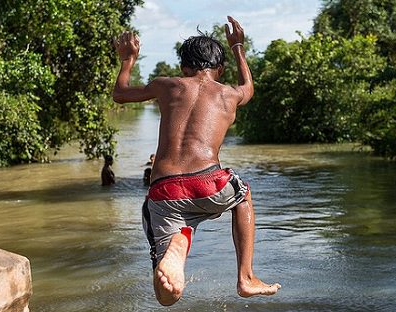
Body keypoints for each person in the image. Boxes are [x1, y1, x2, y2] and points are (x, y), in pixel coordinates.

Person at [112, 16, 281, 306]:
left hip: (165, 191)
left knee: (166, 298)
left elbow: (120, 94)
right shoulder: (229, 94)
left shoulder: (166, 85)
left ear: (183, 68)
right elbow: (248, 87)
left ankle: (178, 243)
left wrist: (128, 58)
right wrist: (238, 46)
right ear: (220, 69)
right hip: (212, 185)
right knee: (242, 194)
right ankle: (246, 277)